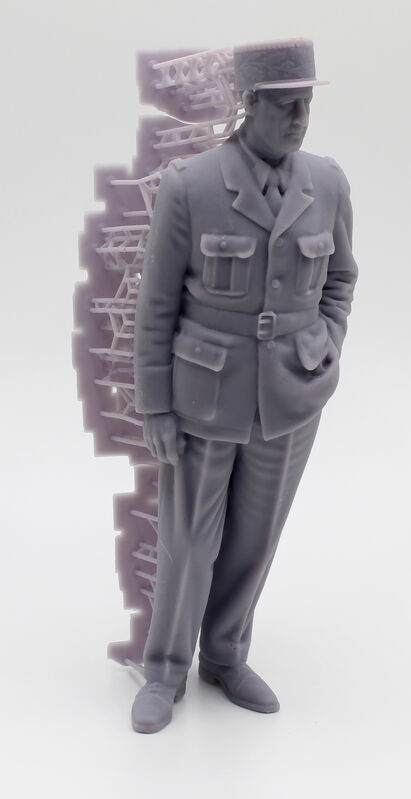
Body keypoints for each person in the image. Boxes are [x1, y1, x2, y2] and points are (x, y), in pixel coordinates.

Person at [132, 38, 358, 733]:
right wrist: (156, 406)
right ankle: (165, 667)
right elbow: (156, 307)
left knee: (255, 540)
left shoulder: (327, 183)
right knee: (188, 543)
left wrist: (325, 343)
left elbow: (341, 278)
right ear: (249, 103)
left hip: (290, 395)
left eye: (306, 103)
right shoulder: (191, 186)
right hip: (206, 395)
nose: (299, 118)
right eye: (285, 105)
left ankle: (225, 655)